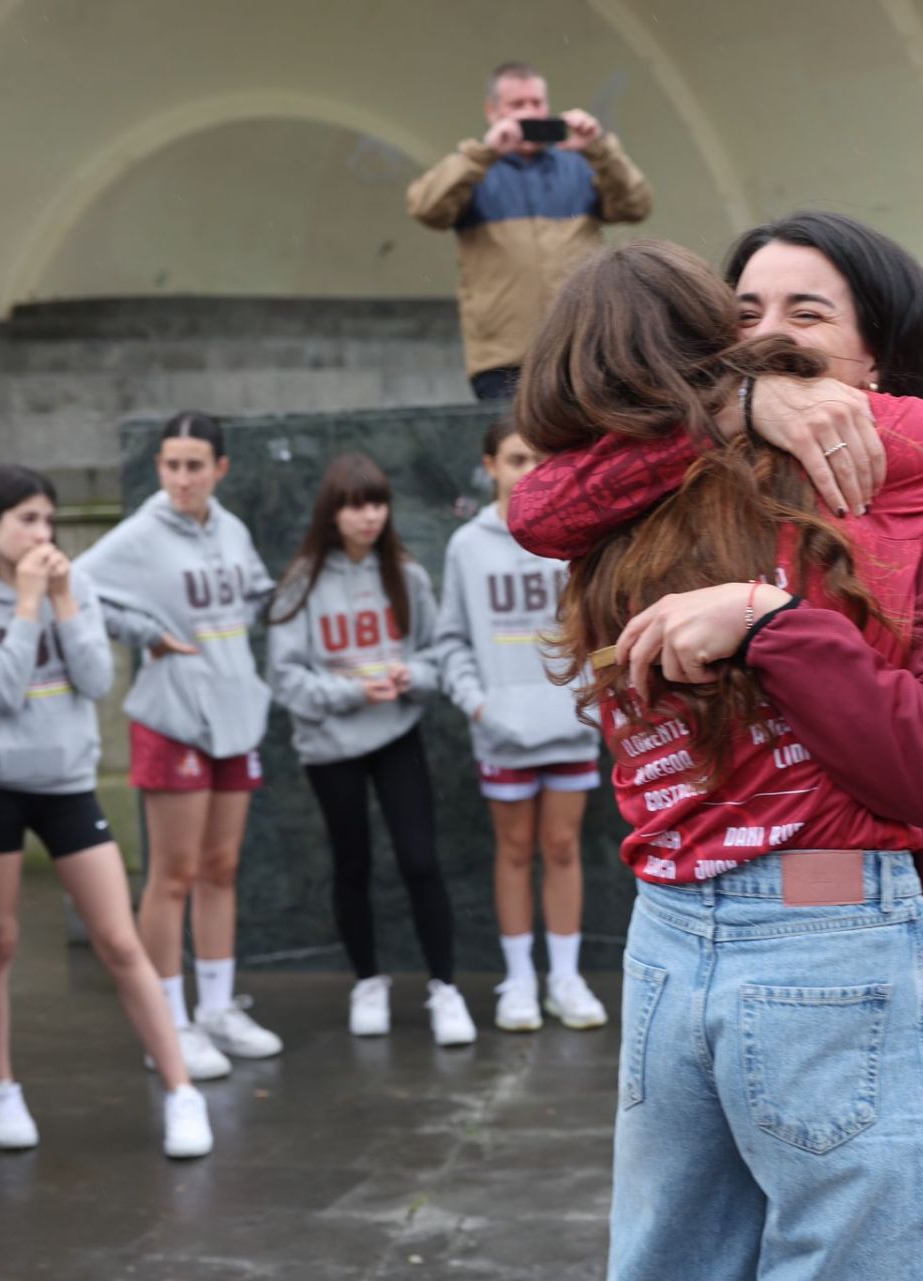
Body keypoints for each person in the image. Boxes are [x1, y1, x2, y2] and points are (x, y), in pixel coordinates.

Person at [510, 212, 923, 1280]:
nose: (768, 334)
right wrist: (735, 407)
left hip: (911, 922)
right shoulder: (691, 478)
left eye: (806, 312)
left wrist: (770, 623)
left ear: (879, 356)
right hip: (694, 925)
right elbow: (537, 503)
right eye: (742, 317)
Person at [0, 464, 213, 1159]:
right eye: (27, 518)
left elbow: (93, 679)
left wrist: (61, 599)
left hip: (66, 781)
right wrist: (26, 606)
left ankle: (181, 1089)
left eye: (48, 520)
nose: (42, 533)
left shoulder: (74, 584)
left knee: (119, 940)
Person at [75, 412, 281, 1081]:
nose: (183, 478)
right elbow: (74, 585)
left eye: (196, 465)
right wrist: (146, 631)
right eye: (172, 464)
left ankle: (218, 1007)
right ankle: (169, 1019)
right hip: (173, 719)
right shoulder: (139, 533)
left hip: (235, 711)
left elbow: (251, 592)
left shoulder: (231, 527)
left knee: (221, 866)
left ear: (220, 468)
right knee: (175, 874)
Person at [267, 454, 476, 1047]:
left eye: (377, 503)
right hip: (329, 746)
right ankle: (367, 981)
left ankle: (445, 987)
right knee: (351, 863)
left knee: (420, 860)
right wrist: (353, 691)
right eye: (356, 505)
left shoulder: (405, 576)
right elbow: (285, 679)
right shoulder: (302, 583)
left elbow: (440, 655)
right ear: (332, 512)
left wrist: (411, 675)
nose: (368, 516)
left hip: (396, 733)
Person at [433, 419, 605, 1032]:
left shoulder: (574, 535)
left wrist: (589, 694)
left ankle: (565, 977)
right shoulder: (467, 546)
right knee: (513, 851)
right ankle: (520, 981)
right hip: (503, 731)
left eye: (537, 458)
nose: (526, 470)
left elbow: (597, 625)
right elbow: (448, 640)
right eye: (513, 458)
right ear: (489, 466)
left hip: (567, 725)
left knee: (561, 849)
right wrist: (480, 704)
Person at [407, 60, 652, 400]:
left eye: (537, 103)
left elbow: (636, 205)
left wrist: (600, 149)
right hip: (503, 361)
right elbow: (425, 208)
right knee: (517, 452)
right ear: (492, 112)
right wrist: (483, 153)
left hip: (581, 351)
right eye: (517, 105)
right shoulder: (473, 171)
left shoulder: (580, 166)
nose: (530, 113)